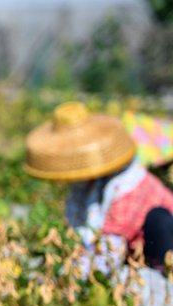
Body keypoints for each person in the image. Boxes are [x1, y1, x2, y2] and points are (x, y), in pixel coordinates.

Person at [24, 101, 173, 275]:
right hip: (131, 249)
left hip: (159, 244)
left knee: (159, 220)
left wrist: (81, 279)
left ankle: (162, 273)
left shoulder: (128, 187)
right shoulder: (90, 186)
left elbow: (111, 245)